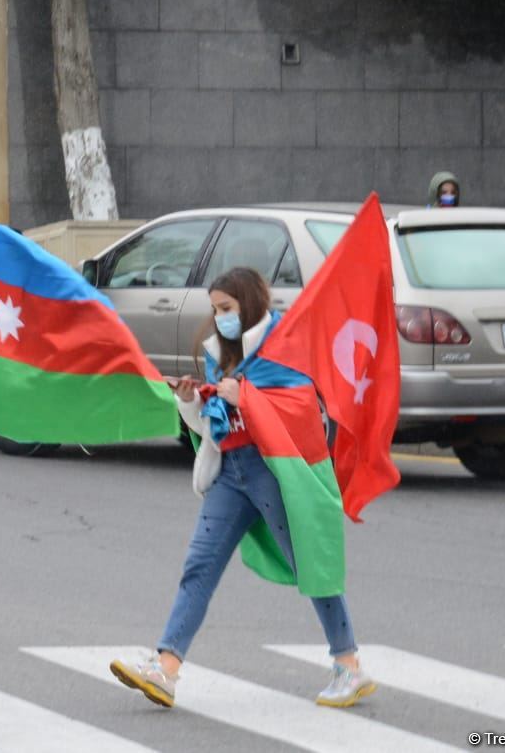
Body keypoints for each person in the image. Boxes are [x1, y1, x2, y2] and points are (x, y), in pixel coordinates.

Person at [109, 268, 375, 710]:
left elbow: (299, 408)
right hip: (230, 473)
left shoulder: (282, 348)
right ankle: (166, 667)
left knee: (311, 564)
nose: (219, 318)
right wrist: (194, 401)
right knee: (199, 566)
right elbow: (216, 422)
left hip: (273, 472)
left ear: (248, 305)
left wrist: (245, 397)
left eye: (227, 309)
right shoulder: (219, 354)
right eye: (215, 309)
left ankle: (348, 664)